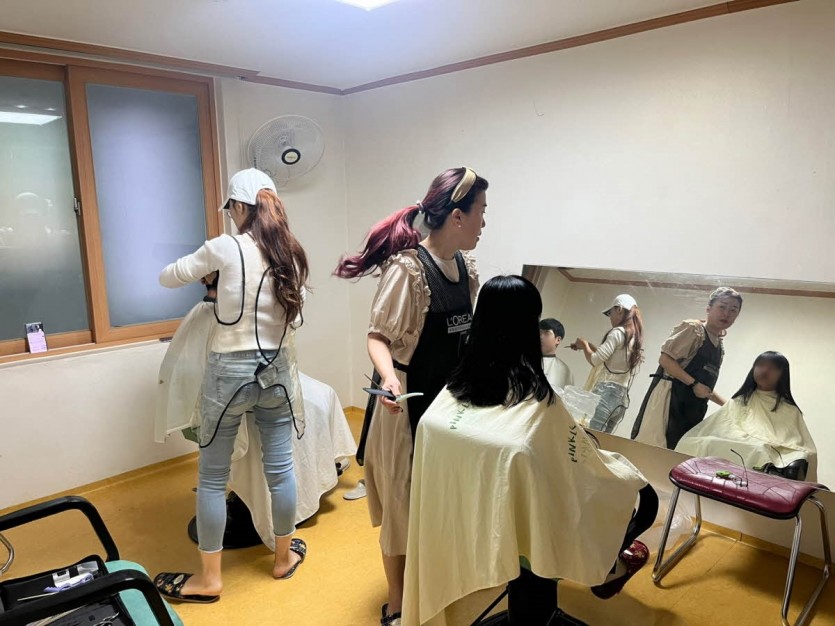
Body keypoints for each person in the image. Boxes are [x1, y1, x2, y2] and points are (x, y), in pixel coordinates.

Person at [403, 276, 658, 626]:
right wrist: (619, 472)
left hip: (469, 517)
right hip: (527, 528)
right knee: (639, 496)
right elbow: (575, 466)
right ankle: (614, 565)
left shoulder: (451, 394)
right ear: (529, 328)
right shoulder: (539, 400)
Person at [335, 167, 487, 626]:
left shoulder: (466, 270)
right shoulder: (409, 270)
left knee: (437, 499)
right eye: (481, 212)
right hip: (405, 404)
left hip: (448, 405)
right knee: (402, 508)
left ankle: (433, 578)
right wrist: (388, 378)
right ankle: (398, 603)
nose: (484, 222)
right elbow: (377, 336)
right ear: (457, 217)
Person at [154, 168, 309, 603]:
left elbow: (168, 276)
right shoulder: (290, 251)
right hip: (276, 373)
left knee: (211, 478)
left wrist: (208, 275)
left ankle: (209, 580)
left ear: (240, 207)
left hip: (229, 374)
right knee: (280, 470)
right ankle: (283, 558)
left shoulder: (224, 247)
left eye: (231, 209)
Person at [676, 351, 817, 481]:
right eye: (760, 365)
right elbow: (723, 427)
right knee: (699, 442)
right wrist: (745, 438)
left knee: (765, 452)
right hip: (737, 442)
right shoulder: (739, 401)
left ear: (782, 375)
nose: (764, 371)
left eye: (772, 368)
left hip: (766, 449)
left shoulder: (790, 409)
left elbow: (801, 446)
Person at [631, 287, 743, 450]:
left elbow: (705, 389)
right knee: (653, 449)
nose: (727, 314)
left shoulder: (719, 346)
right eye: (722, 307)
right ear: (709, 308)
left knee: (678, 452)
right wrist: (694, 384)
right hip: (669, 400)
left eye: (733, 310)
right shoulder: (693, 329)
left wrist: (728, 406)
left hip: (692, 409)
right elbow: (665, 360)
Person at [570, 294, 643, 434]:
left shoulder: (617, 332)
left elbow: (595, 360)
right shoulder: (634, 337)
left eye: (610, 313)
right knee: (603, 440)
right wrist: (588, 346)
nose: (610, 317)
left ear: (619, 309)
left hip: (606, 393)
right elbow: (609, 359)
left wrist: (584, 344)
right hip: (621, 398)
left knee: (590, 436)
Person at [539, 318, 574, 391]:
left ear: (558, 340)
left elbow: (564, 396)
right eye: (539, 332)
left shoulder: (564, 371)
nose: (540, 336)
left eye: (546, 333)